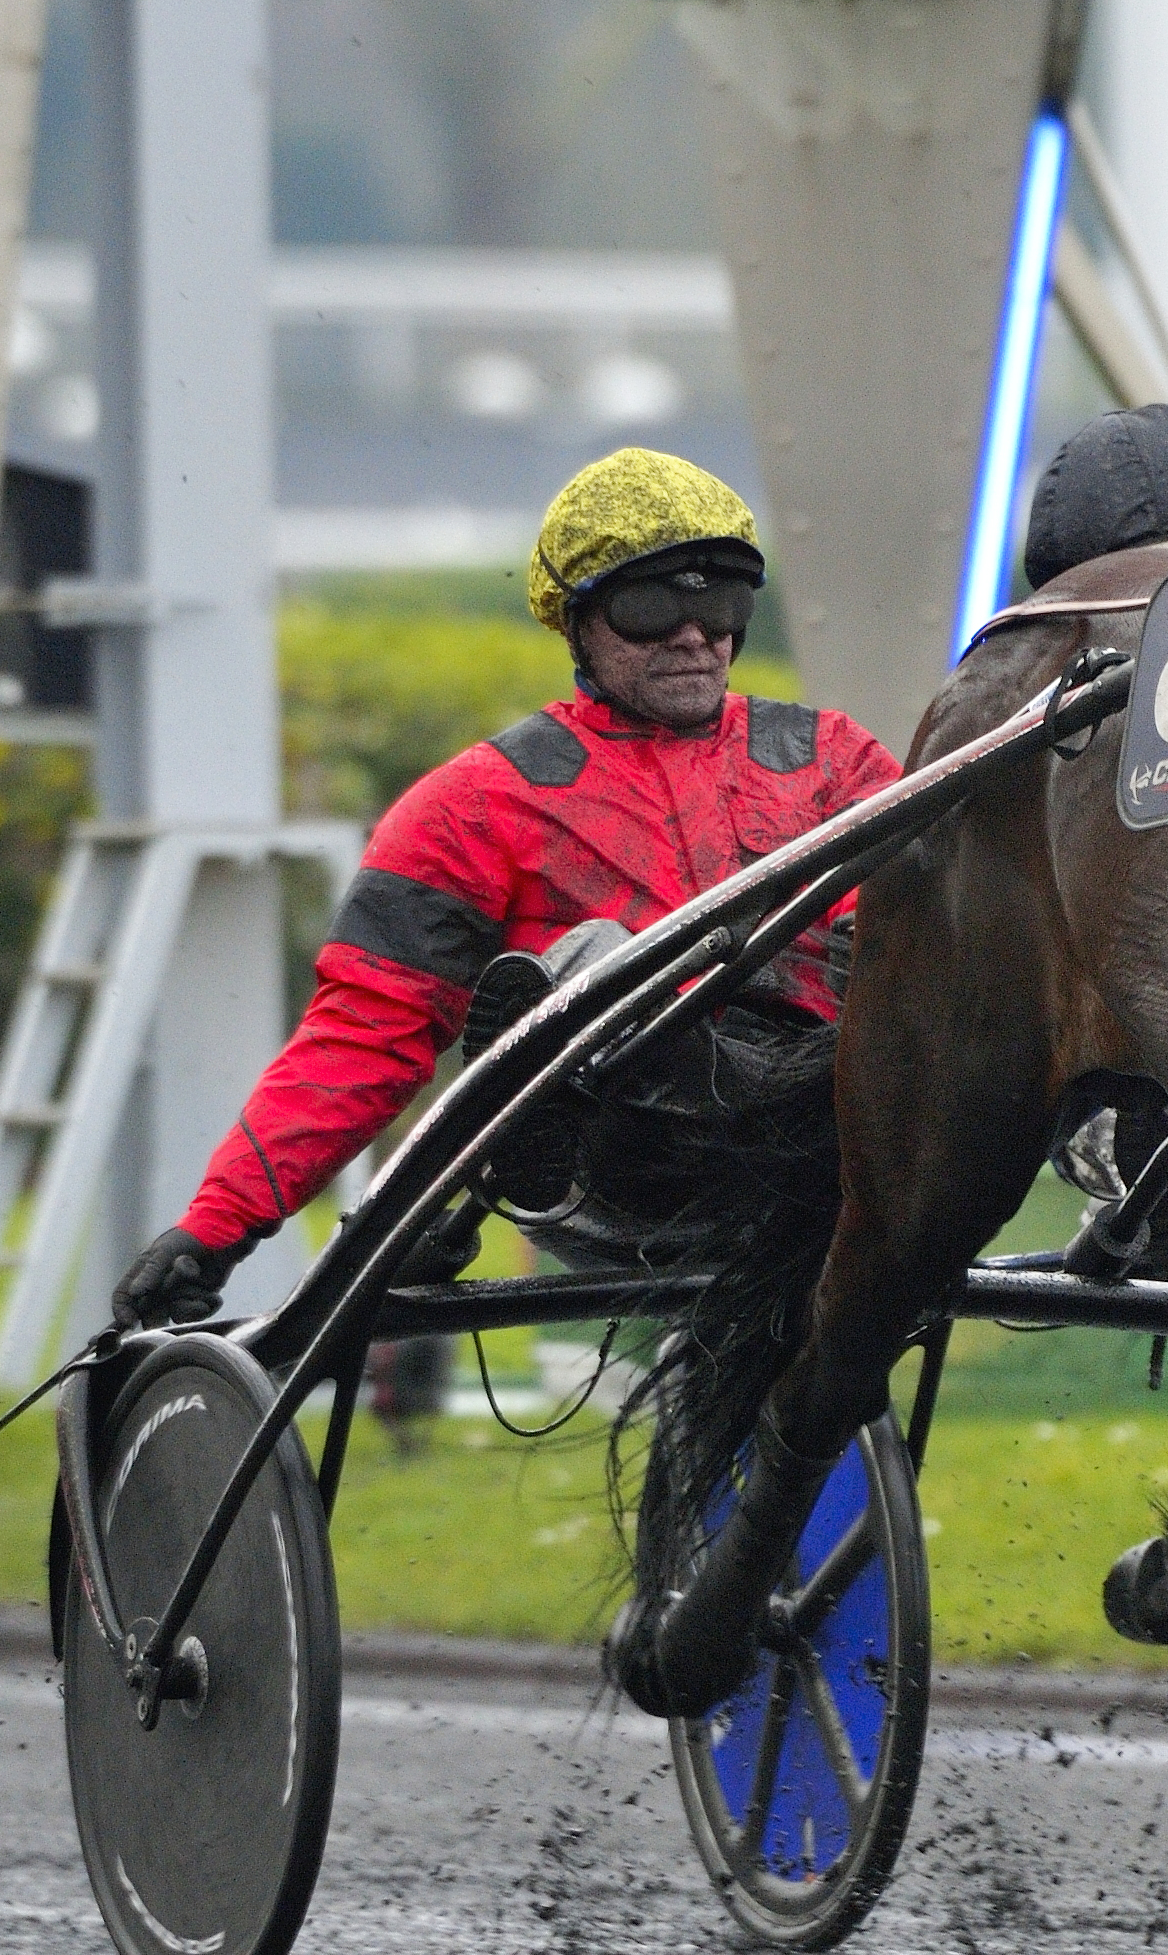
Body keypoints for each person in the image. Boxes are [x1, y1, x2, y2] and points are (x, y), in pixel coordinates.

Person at [108, 449, 901, 1331]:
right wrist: (216, 1229)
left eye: (718, 604)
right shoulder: (473, 805)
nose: (693, 635)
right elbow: (362, 1036)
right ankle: (542, 1081)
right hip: (630, 1168)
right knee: (602, 962)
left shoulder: (835, 760)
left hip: (830, 1133)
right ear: (577, 622)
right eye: (652, 606)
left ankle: (1091, 1179)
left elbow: (918, 941)